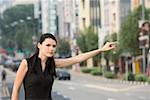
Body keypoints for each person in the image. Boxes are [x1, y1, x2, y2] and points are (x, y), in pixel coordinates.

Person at [11, 33, 117, 100]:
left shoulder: (53, 63)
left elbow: (77, 58)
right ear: (39, 45)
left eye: (53, 46)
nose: (51, 49)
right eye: (48, 45)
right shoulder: (26, 63)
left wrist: (101, 50)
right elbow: (16, 89)